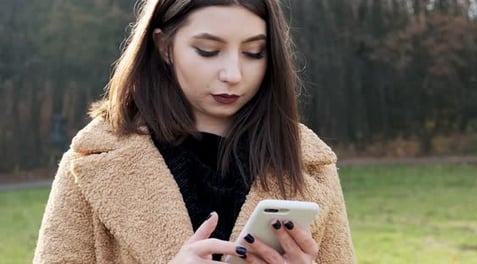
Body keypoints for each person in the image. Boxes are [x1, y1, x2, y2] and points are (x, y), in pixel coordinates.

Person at [34, 0, 355, 263]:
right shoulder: (92, 161)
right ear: (164, 46)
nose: (233, 74)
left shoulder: (307, 163)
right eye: (208, 50)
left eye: (254, 52)